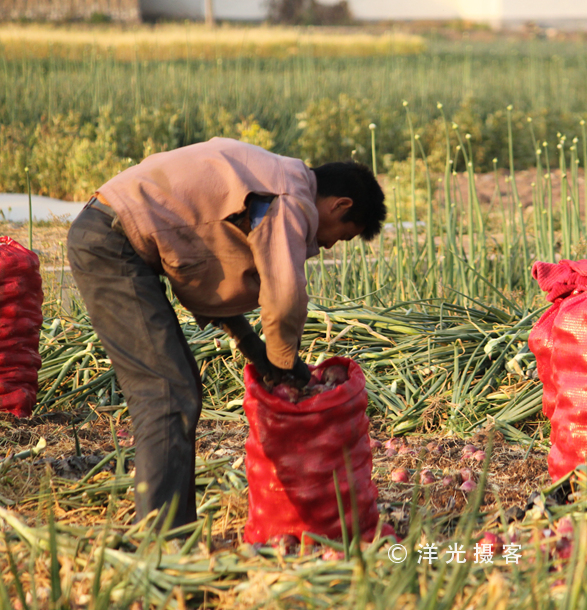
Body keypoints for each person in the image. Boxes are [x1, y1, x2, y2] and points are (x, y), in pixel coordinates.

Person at [66, 137, 387, 529]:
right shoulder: (291, 198)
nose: (330, 244)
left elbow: (208, 270)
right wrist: (287, 366)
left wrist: (254, 348)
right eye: (342, 234)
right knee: (167, 393)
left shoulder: (274, 180)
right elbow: (284, 293)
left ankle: (174, 531)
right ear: (340, 206)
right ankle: (161, 544)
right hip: (110, 243)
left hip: (113, 234)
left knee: (179, 391)